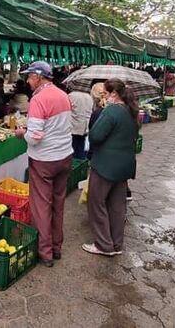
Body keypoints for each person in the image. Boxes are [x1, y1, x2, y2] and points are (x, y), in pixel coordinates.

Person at [14, 61, 73, 267]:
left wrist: (23, 134)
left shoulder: (38, 99)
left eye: (29, 77)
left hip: (44, 160)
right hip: (65, 156)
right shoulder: (63, 95)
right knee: (58, 203)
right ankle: (56, 247)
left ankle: (44, 252)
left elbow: (35, 137)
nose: (27, 81)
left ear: (39, 77)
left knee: (41, 205)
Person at [83, 78, 138, 256]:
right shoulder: (131, 111)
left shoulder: (112, 111)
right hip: (124, 165)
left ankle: (103, 244)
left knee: (96, 202)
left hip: (106, 165)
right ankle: (116, 244)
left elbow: (95, 136)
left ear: (114, 94)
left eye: (106, 94)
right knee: (117, 206)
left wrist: (104, 114)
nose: (104, 97)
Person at [68, 89, 93, 159]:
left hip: (73, 127)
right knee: (81, 149)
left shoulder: (71, 95)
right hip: (84, 127)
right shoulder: (89, 96)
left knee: (71, 151)